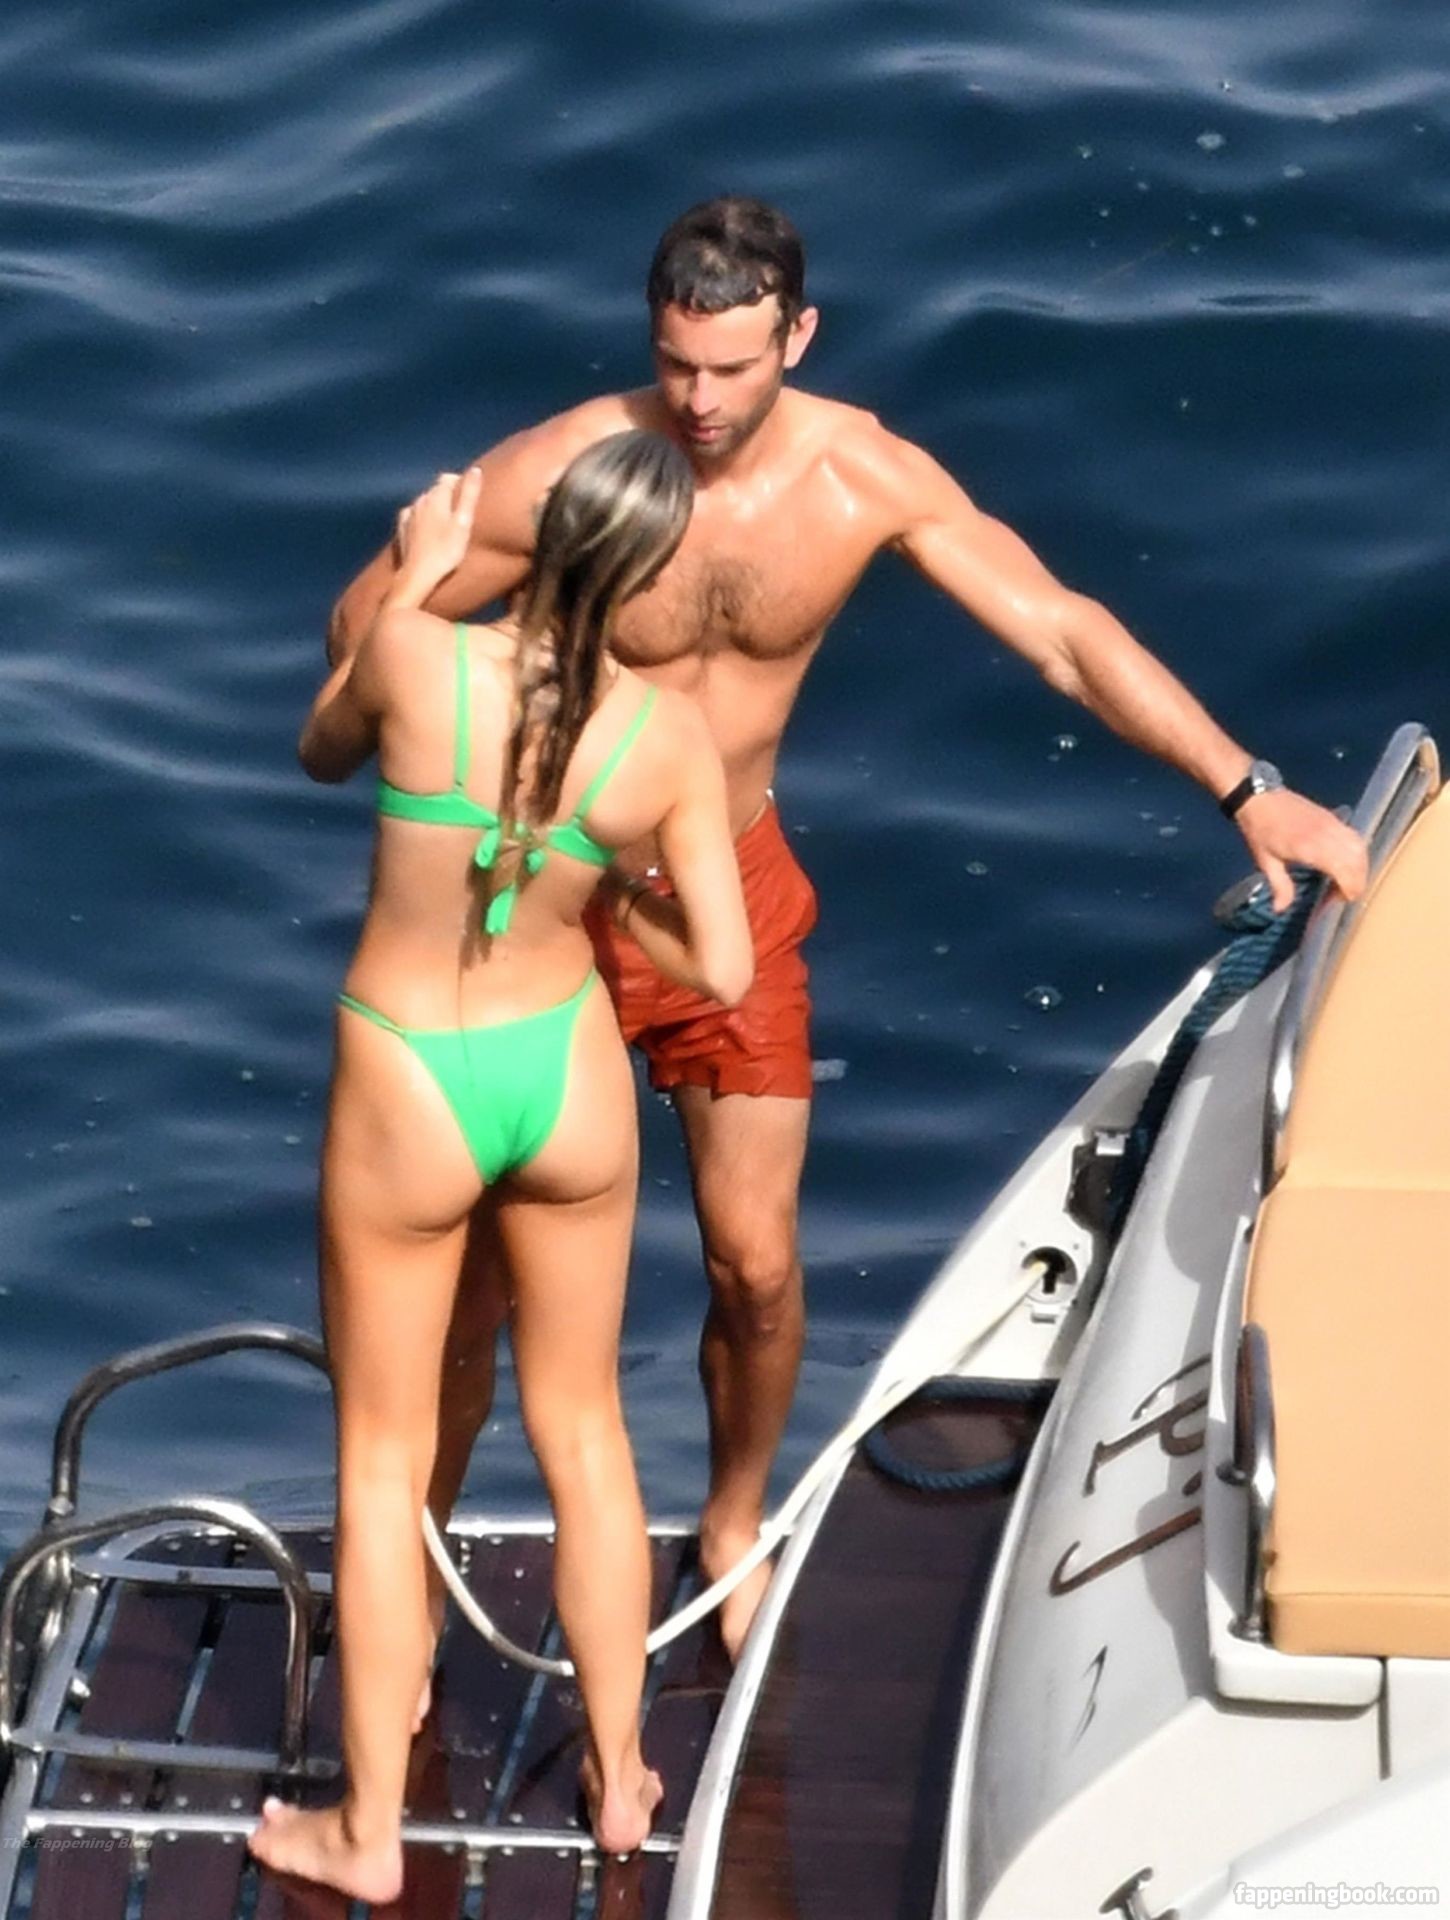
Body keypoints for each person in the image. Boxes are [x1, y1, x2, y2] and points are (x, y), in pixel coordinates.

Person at [327, 195, 1368, 1658]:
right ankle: (409, 1569)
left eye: (732, 368)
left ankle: (731, 1523)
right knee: (480, 1290)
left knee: (754, 1266)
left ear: (797, 337)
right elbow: (366, 634)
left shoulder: (860, 478)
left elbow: (1060, 632)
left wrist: (1244, 788)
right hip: (556, 887)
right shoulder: (566, 468)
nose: (698, 401)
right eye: (675, 365)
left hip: (731, 886)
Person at [248, 431, 752, 1902]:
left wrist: (411, 581)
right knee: (585, 1432)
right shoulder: (667, 738)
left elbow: (317, 749)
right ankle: (621, 1776)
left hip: (411, 1073)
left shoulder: (420, 657)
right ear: (649, 575)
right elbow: (723, 968)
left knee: (383, 1457)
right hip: (567, 1075)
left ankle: (367, 1830)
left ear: (540, 544)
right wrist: (597, 890)